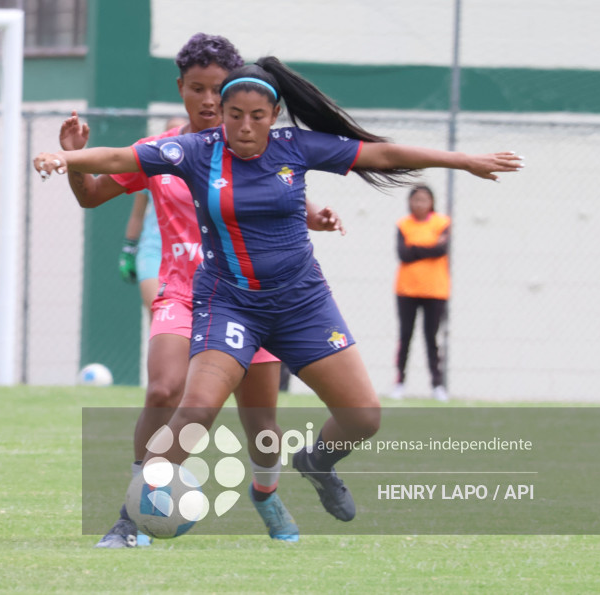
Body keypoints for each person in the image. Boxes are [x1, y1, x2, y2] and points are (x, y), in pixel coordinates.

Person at [35, 56, 523, 525]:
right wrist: (66, 156)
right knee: (197, 408)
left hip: (301, 304)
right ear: (222, 115)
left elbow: (386, 154)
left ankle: (315, 462)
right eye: (234, 115)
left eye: (256, 117)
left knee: (364, 417)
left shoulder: (296, 146)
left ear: (274, 117)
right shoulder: (195, 152)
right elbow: (119, 157)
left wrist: (464, 161)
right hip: (230, 303)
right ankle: (129, 519)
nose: (244, 127)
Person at [56, 35, 343, 547]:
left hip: (254, 300)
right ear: (181, 89)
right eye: (197, 89)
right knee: (165, 390)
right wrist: (76, 161)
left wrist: (313, 215)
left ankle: (264, 491)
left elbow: (280, 201)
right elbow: (93, 196)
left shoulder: (255, 148)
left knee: (262, 424)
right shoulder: (164, 151)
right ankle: (133, 514)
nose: (209, 101)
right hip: (184, 294)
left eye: (217, 90)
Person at [118, 117, 187, 316]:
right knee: (159, 311)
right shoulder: (153, 168)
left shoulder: (198, 165)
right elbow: (137, 215)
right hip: (154, 250)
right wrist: (128, 249)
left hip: (187, 252)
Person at [391, 184, 450, 402]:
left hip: (435, 290)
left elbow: (441, 249)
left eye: (424, 200)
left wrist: (415, 248)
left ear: (431, 202)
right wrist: (427, 248)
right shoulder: (403, 225)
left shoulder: (442, 223)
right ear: (410, 202)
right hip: (406, 289)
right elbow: (403, 254)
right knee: (405, 336)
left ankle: (437, 385)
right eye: (416, 200)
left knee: (431, 338)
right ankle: (399, 383)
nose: (419, 204)